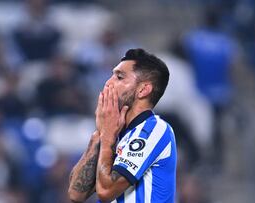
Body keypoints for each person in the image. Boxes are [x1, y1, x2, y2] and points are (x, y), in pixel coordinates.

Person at [68, 48, 177, 202]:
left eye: (119, 77)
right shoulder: (114, 133)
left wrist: (106, 136)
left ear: (143, 90)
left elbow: (106, 191)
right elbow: (75, 194)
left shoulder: (154, 129)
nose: (108, 83)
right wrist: (99, 133)